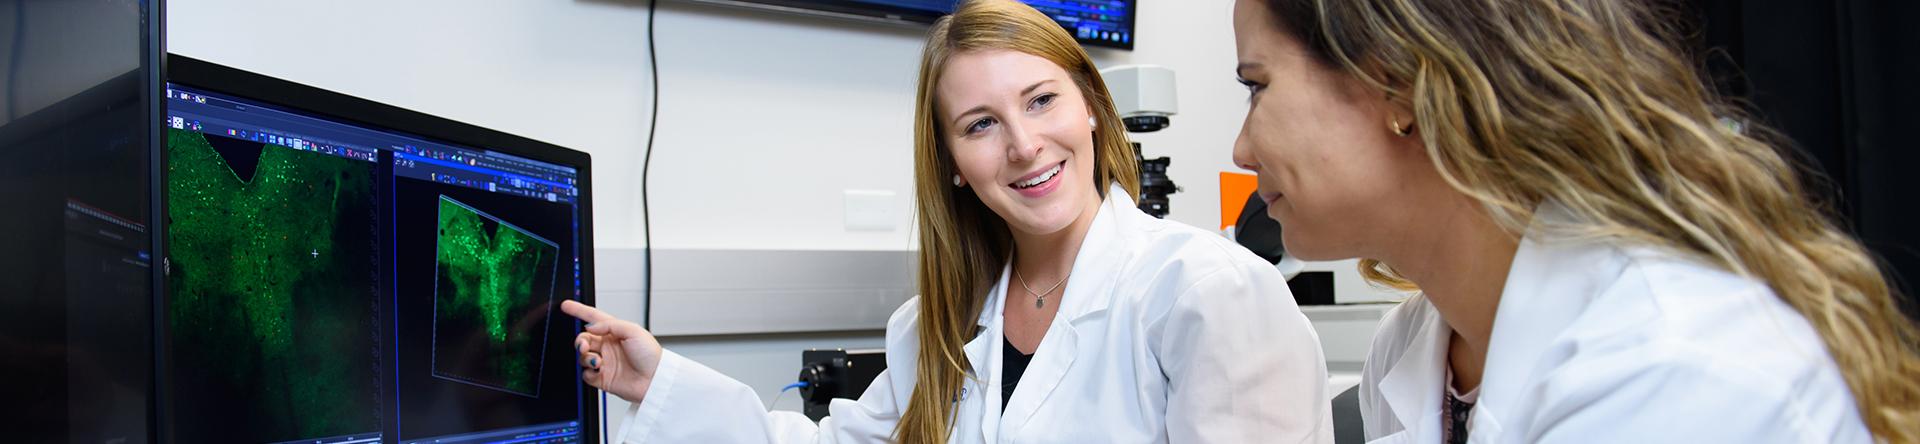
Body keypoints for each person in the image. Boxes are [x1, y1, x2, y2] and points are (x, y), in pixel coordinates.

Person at [561, 0, 1333, 442]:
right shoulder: (936, 325)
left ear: (1094, 110)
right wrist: (658, 378)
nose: (1025, 144)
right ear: (955, 166)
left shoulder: (1208, 294)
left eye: (1041, 100)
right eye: (980, 125)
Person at [1226, 0, 1920, 441]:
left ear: (1398, 82)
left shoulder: (1673, 368)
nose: (1241, 148)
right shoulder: (1412, 351)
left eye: (1257, 86)